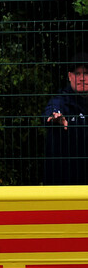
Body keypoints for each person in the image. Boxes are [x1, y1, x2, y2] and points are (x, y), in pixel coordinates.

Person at [43, 53, 88, 184]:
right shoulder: (61, 100)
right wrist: (55, 116)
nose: (81, 78)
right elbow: (53, 109)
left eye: (85, 73)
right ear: (69, 76)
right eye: (77, 74)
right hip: (63, 182)